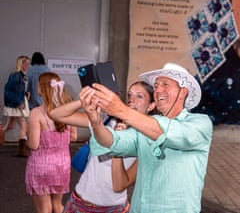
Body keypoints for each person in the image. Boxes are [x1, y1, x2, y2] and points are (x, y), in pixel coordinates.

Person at [80, 62, 213, 213]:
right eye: (156, 85)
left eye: (165, 84)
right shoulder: (144, 129)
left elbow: (168, 132)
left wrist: (120, 110)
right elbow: (112, 142)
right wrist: (96, 121)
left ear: (183, 92)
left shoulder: (200, 123)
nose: (158, 90)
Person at [49, 81, 155, 212]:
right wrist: (85, 101)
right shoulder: (107, 120)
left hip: (112, 208)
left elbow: (119, 185)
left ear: (151, 106)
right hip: (79, 201)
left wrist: (118, 144)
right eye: (129, 95)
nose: (131, 100)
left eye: (139, 96)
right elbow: (56, 114)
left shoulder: (148, 139)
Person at [25, 72, 77, 213]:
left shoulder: (36, 113)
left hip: (41, 165)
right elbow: (73, 137)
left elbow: (34, 145)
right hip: (62, 165)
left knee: (44, 209)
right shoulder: (67, 110)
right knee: (58, 206)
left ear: (42, 88)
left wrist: (27, 136)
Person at [2, 55, 31, 155]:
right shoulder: (16, 75)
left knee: (10, 125)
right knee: (23, 126)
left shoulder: (21, 75)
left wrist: (25, 94)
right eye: (25, 63)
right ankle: (22, 150)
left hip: (16, 103)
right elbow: (8, 90)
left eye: (28, 63)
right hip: (17, 104)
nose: (27, 65)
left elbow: (17, 90)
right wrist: (18, 102)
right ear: (20, 63)